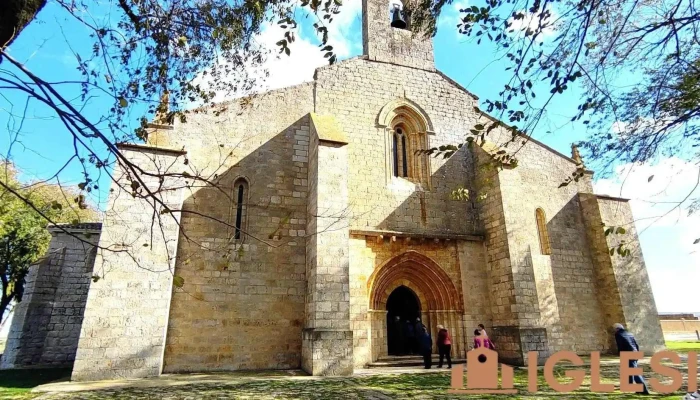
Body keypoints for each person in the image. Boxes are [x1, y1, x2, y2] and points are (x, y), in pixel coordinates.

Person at [613, 323, 650, 395]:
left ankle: (644, 390)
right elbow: (636, 344)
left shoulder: (618, 334)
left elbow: (620, 345)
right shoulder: (629, 333)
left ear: (616, 329)